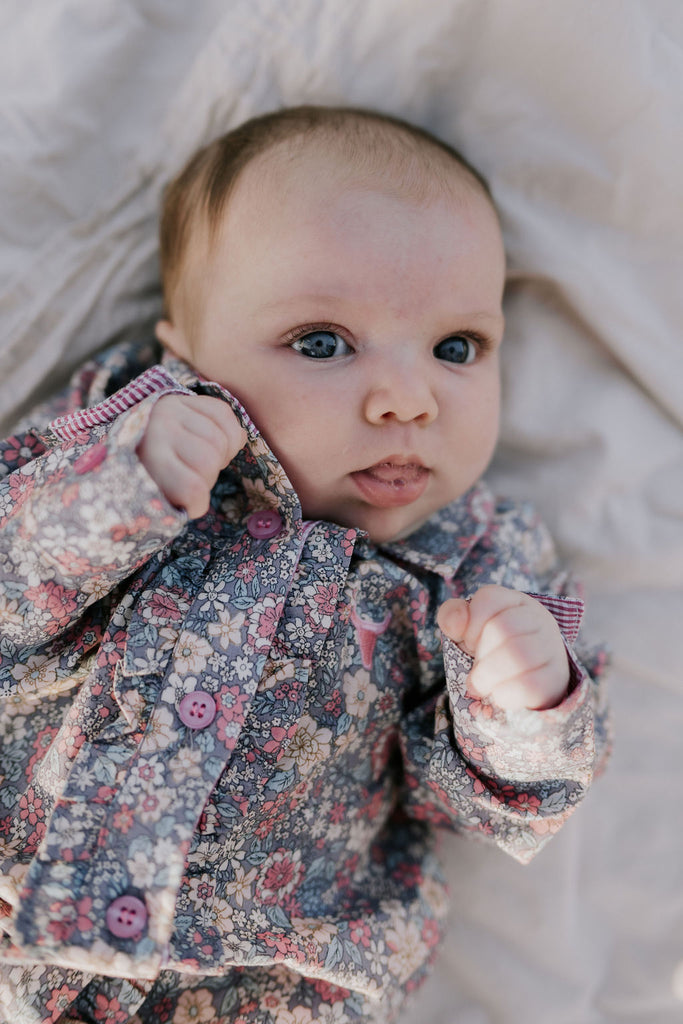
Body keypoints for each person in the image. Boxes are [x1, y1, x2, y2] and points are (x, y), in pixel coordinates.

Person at [0, 106, 609, 1024]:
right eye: (322, 343)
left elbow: (480, 811)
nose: (406, 399)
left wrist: (525, 706)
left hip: (279, 981)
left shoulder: (482, 561)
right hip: (22, 906)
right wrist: (123, 484)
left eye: (456, 348)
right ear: (186, 354)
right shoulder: (133, 435)